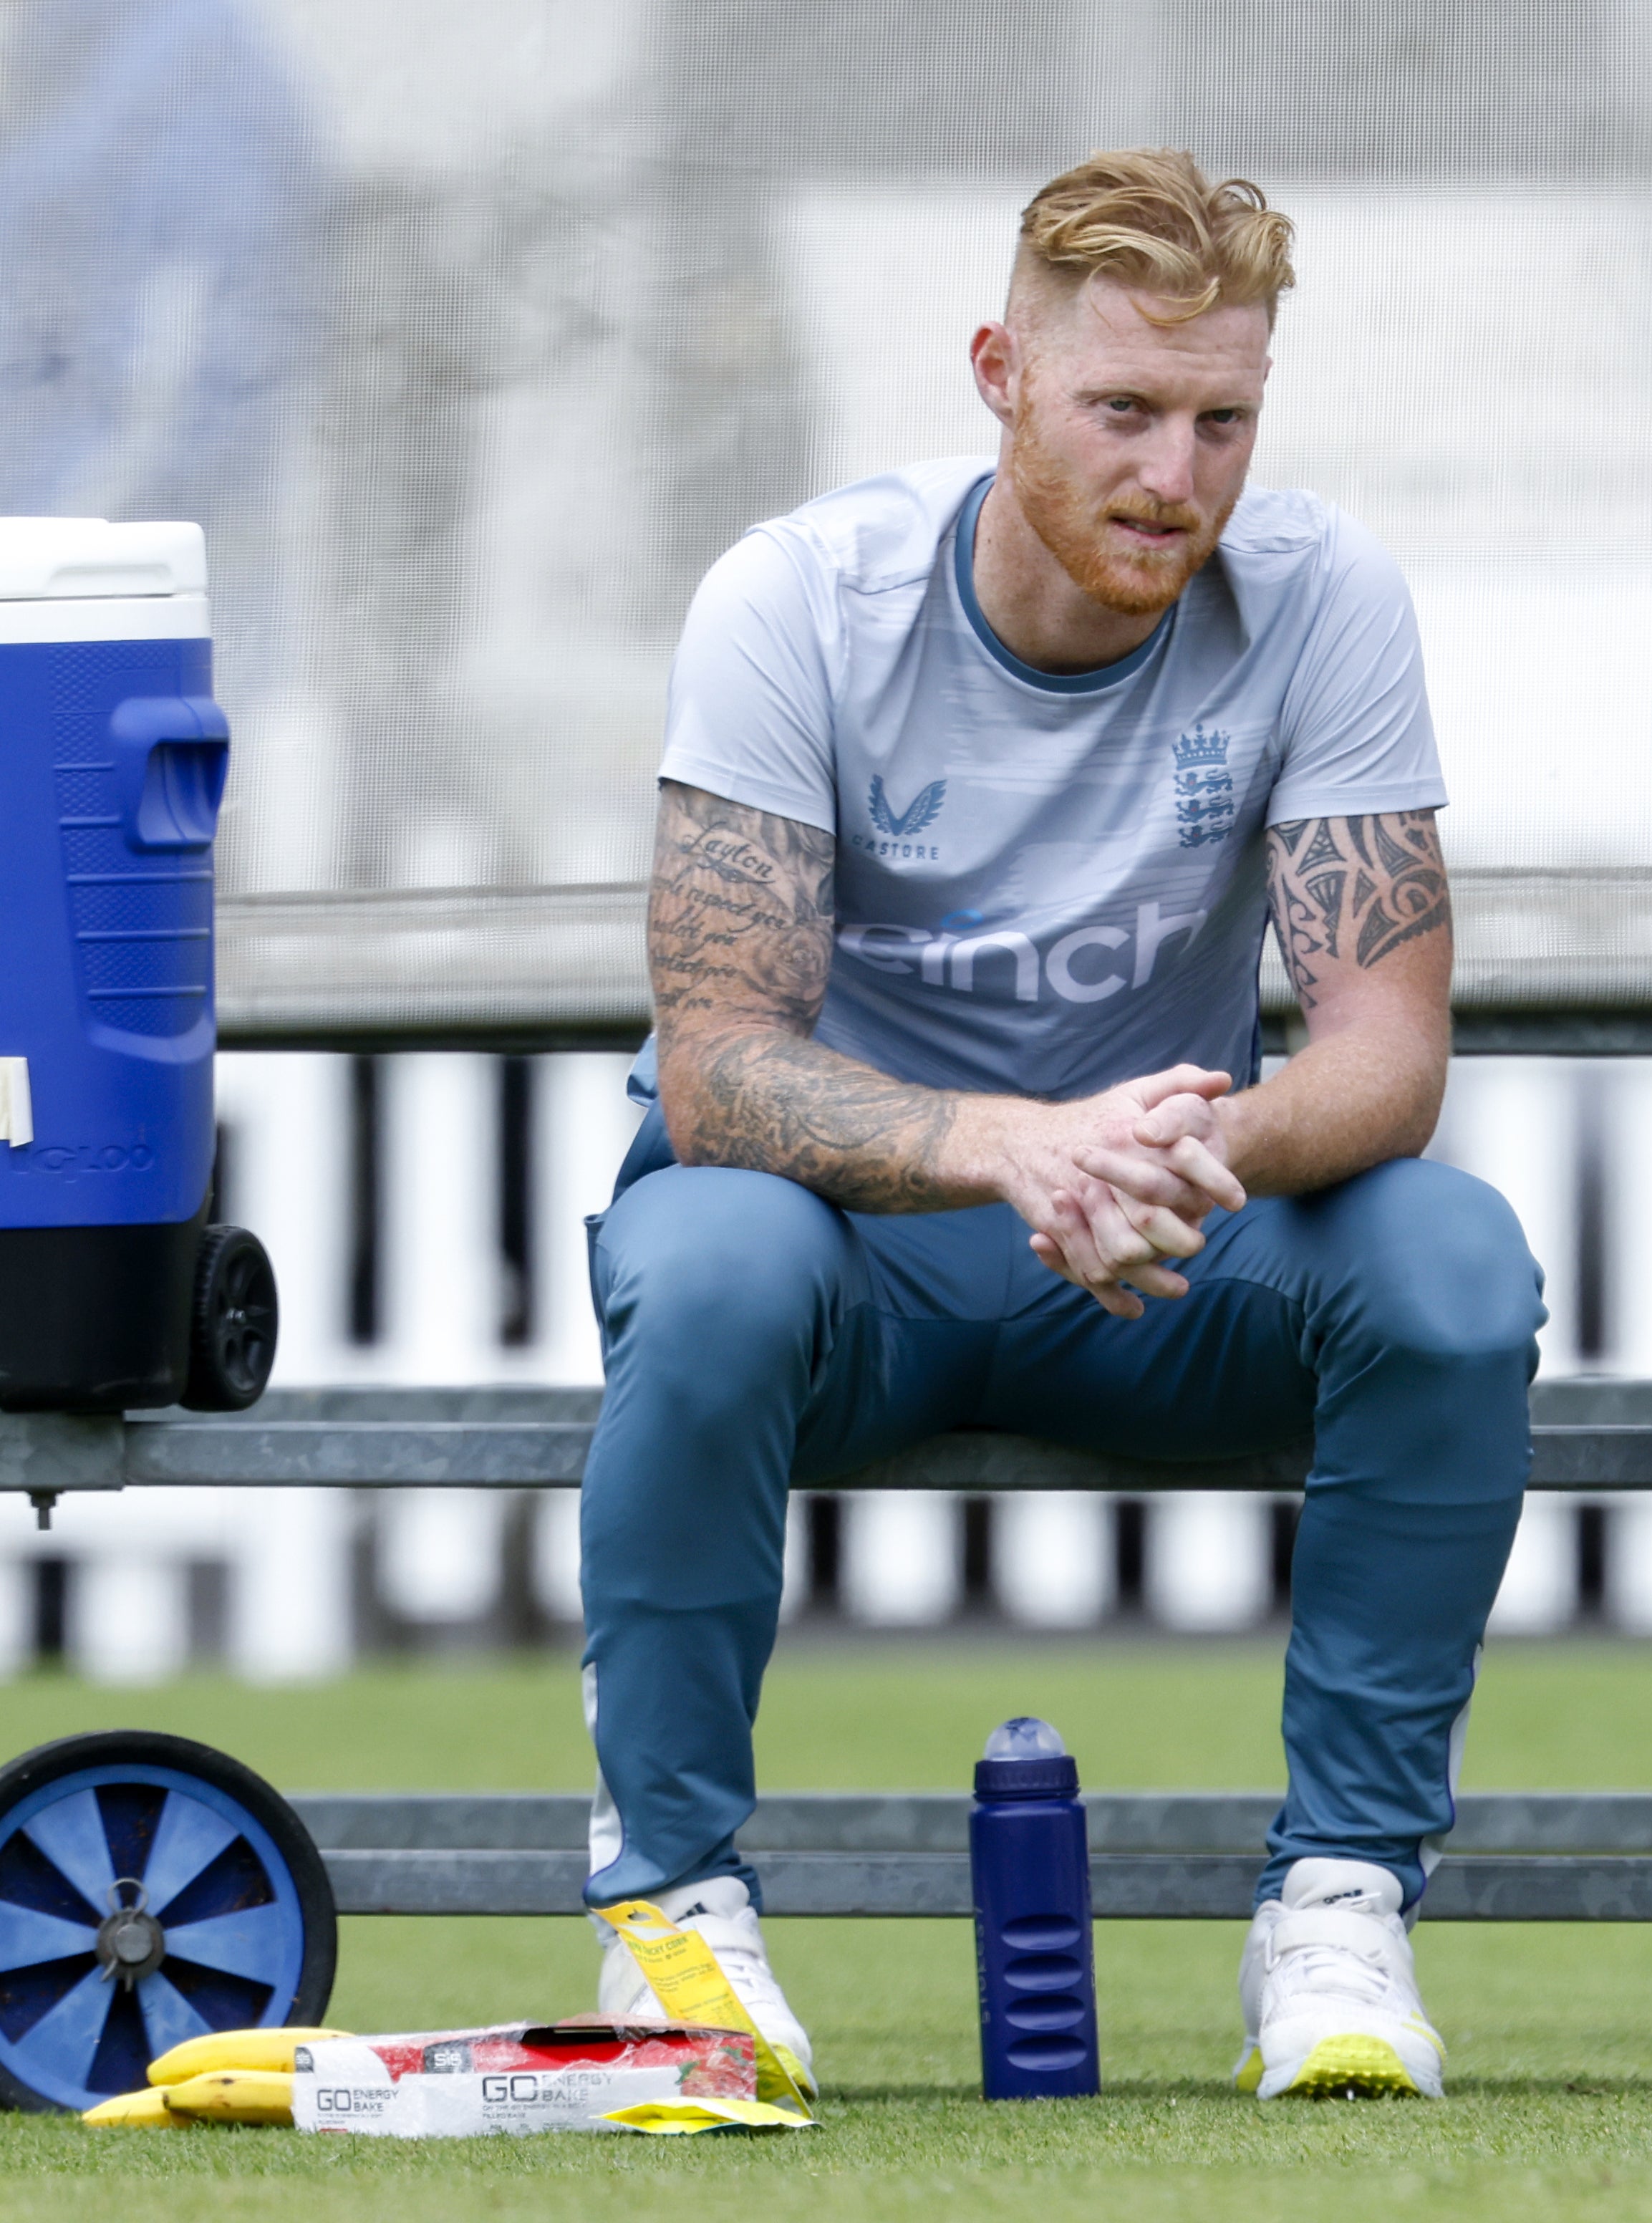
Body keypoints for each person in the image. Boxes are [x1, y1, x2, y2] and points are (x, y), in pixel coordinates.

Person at [579, 149, 1541, 2103]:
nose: (1174, 477)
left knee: (1454, 1262)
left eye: (1222, 421)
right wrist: (1017, 1146)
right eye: (1122, 409)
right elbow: (716, 1067)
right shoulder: (798, 596)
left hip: (1147, 1247)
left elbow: (1385, 1047)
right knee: (705, 1259)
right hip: (851, 1246)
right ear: (999, 373)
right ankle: (670, 1908)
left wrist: (1189, 1160)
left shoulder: (1322, 593)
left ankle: (1339, 1903)